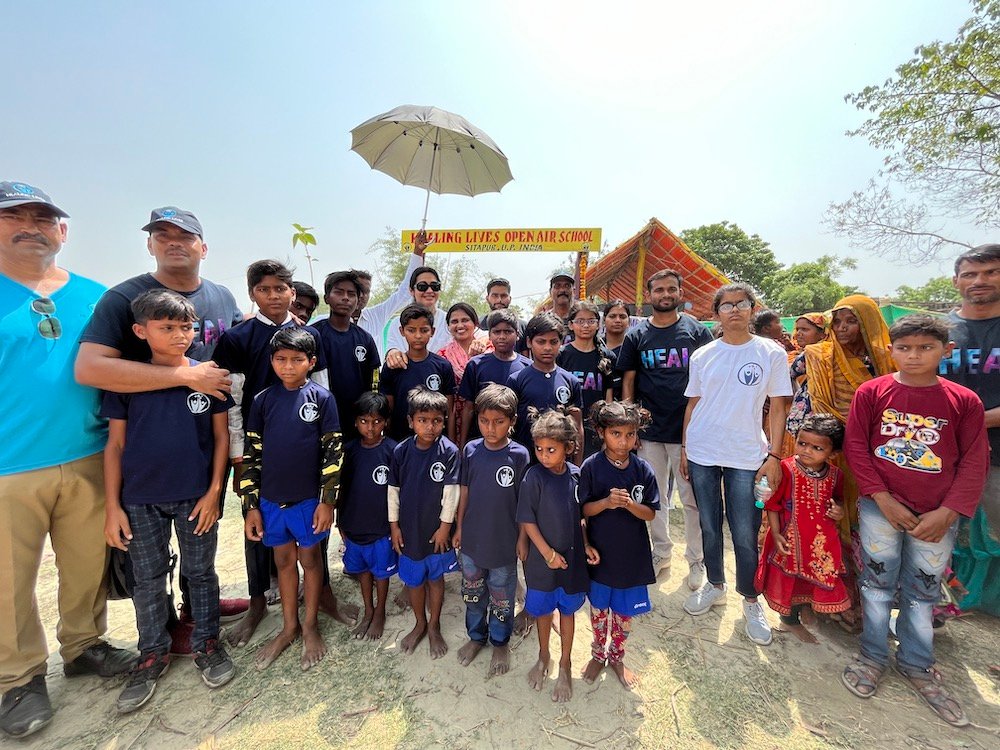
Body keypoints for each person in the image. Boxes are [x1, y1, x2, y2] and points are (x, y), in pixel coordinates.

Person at [75, 206, 248, 653]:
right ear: (149, 244)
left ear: (203, 247)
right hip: (145, 449)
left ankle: (198, 614)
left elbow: (237, 353)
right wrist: (185, 376)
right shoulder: (123, 297)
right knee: (149, 565)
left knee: (200, 552)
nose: (174, 242)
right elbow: (91, 368)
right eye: (162, 234)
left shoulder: (223, 298)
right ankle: (160, 634)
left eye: (185, 235)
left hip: (202, 444)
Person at [0, 181, 135, 739]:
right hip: (9, 466)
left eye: (44, 217)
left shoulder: (97, 297)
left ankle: (84, 645)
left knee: (85, 564)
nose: (31, 225)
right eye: (15, 216)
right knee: (8, 580)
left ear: (64, 230)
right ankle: (17, 678)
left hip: (89, 454)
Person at [842, 315, 988, 727]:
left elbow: (975, 459)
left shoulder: (963, 401)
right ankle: (872, 656)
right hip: (881, 509)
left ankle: (917, 663)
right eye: (905, 348)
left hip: (938, 512)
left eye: (926, 347)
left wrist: (950, 510)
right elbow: (857, 446)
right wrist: (882, 499)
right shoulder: (872, 393)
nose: (914, 356)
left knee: (924, 590)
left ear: (946, 351)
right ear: (891, 350)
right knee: (875, 585)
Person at [102, 290, 235, 713]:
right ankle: (152, 652)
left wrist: (215, 491)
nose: (180, 335)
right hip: (140, 499)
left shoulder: (209, 375)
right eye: (167, 327)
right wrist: (112, 506)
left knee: (200, 572)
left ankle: (207, 643)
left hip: (196, 497)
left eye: (186, 327)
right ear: (141, 331)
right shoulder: (127, 379)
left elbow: (220, 437)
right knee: (147, 577)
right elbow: (115, 446)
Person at [213, 260, 349, 648]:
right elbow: (232, 401)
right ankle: (258, 606)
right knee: (259, 536)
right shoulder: (237, 338)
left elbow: (323, 389)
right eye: (265, 289)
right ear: (252, 292)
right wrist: (240, 458)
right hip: (257, 458)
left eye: (281, 289)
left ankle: (321, 597)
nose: (274, 296)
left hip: (307, 461)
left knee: (312, 539)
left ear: (292, 293)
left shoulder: (308, 336)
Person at [679, 283, 792, 647]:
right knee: (710, 526)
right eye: (726, 306)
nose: (734, 310)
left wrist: (774, 457)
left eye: (741, 304)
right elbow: (693, 404)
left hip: (747, 457)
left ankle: (750, 598)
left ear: (752, 308)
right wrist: (684, 447)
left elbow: (778, 407)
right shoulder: (704, 356)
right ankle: (715, 584)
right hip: (702, 451)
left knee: (745, 532)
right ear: (716, 314)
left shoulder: (771, 353)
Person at [240, 328, 343, 671]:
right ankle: (289, 627)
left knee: (310, 561)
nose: (288, 366)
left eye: (297, 360)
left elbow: (333, 453)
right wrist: (251, 506)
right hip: (270, 503)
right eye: (281, 359)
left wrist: (327, 501)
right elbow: (251, 456)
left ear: (311, 363)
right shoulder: (262, 401)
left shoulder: (322, 399)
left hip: (307, 503)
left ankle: (311, 625)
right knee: (283, 563)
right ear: (271, 361)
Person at [618, 269, 713, 586]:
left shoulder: (697, 332)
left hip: (690, 432)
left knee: (691, 499)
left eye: (671, 288)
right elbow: (629, 380)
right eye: (659, 289)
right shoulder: (637, 336)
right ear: (649, 296)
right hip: (650, 431)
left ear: (680, 291)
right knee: (653, 497)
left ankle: (696, 560)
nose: (665, 294)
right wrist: (631, 425)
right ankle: (661, 552)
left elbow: (710, 379)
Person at [517, 408, 599, 703]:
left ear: (569, 447)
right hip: (543, 562)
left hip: (572, 560)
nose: (543, 455)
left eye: (551, 449)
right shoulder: (533, 476)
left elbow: (581, 518)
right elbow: (527, 518)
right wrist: (547, 553)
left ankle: (564, 663)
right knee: (542, 610)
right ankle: (543, 656)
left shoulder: (577, 476)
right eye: (538, 449)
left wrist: (587, 543)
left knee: (567, 611)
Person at [580, 401, 659, 691]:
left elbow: (650, 513)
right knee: (599, 611)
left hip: (632, 558)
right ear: (602, 432)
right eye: (616, 433)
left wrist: (629, 505)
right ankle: (598, 654)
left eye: (630, 434)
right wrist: (607, 502)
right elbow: (584, 510)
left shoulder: (643, 470)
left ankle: (617, 656)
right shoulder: (591, 467)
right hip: (600, 557)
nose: (623, 441)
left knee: (624, 615)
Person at [453, 385, 531, 675]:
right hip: (473, 541)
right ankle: (476, 636)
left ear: (512, 421)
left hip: (504, 544)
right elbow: (465, 492)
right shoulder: (471, 450)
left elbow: (524, 504)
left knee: (502, 596)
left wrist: (522, 539)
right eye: (485, 421)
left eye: (499, 421)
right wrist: (459, 528)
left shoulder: (520, 455)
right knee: (472, 594)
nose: (490, 428)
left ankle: (500, 641)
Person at [940, 244, 1000, 617]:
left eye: (991, 272)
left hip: (996, 454)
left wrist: (971, 421)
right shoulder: (940, 330)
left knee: (994, 532)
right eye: (971, 274)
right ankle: (944, 606)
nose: (979, 281)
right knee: (941, 536)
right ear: (956, 281)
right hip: (941, 454)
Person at [754, 414, 850, 644]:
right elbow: (772, 504)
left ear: (833, 453)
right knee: (789, 581)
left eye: (817, 447)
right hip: (789, 538)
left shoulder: (836, 475)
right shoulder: (785, 469)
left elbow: (838, 501)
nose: (807, 450)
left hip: (819, 544)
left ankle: (805, 609)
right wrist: (776, 534)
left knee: (811, 579)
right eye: (802, 443)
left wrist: (839, 511)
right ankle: (789, 622)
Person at [388, 387, 460, 658]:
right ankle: (419, 622)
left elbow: (451, 493)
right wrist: (394, 526)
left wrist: (445, 527)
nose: (430, 427)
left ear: (444, 420)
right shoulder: (401, 452)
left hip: (435, 531)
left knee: (436, 577)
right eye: (423, 420)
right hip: (409, 530)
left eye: (437, 421)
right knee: (415, 581)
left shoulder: (449, 451)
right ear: (410, 421)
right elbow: (392, 491)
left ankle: (434, 624)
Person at [337, 392, 398, 641]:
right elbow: (341, 489)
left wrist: (396, 526)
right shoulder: (349, 451)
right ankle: (368, 609)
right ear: (355, 422)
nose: (370, 428)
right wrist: (340, 521)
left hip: (381, 528)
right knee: (362, 570)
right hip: (354, 525)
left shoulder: (393, 451)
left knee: (381, 573)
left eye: (376, 422)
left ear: (386, 422)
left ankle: (380, 611)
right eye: (364, 421)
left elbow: (398, 493)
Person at [507, 313, 584, 463]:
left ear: (561, 343)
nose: (547, 348)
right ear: (529, 342)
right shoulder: (516, 380)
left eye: (553, 342)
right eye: (541, 342)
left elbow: (577, 427)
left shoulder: (571, 381)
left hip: (560, 464)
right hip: (525, 461)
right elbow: (508, 424)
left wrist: (577, 466)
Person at [360, 231, 451, 357]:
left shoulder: (450, 321)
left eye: (435, 286)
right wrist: (393, 354)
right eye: (422, 286)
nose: (429, 291)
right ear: (411, 291)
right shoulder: (397, 323)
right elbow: (393, 354)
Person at [315, 270, 381, 439]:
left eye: (351, 294)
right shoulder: (314, 334)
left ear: (358, 300)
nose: (345, 298)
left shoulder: (365, 339)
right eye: (339, 292)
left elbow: (373, 382)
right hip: (319, 420)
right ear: (327, 298)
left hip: (355, 422)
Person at [378, 304, 456, 441]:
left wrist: (450, 441)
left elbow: (449, 411)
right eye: (411, 330)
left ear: (432, 331)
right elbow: (387, 410)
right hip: (400, 440)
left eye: (424, 330)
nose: (418, 336)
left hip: (434, 440)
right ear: (402, 331)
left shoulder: (443, 366)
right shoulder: (393, 366)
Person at [458, 308, 532, 447]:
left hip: (517, 444)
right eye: (497, 332)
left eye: (508, 332)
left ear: (517, 334)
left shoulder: (528, 367)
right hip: (481, 441)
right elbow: (468, 408)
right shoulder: (476, 364)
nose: (502, 336)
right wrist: (462, 444)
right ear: (490, 335)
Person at [557, 301, 614, 459]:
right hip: (566, 426)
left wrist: (607, 430)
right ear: (571, 325)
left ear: (598, 324)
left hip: (595, 428)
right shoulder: (562, 355)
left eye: (591, 321)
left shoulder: (607, 357)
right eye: (580, 321)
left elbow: (608, 398)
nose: (586, 326)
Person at [439, 302, 491, 441]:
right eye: (454, 321)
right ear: (449, 326)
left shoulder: (489, 349)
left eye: (465, 320)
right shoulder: (442, 356)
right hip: (453, 417)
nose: (460, 325)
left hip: (486, 415)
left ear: (475, 324)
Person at [783, 313, 830, 457]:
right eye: (797, 329)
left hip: (813, 414)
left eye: (805, 329)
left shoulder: (813, 353)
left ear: (822, 333)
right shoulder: (830, 350)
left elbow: (789, 373)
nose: (798, 334)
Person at [601, 299, 632, 401]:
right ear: (604, 320)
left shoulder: (633, 348)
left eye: (622, 317)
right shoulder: (596, 346)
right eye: (612, 316)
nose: (617, 320)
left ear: (629, 321)